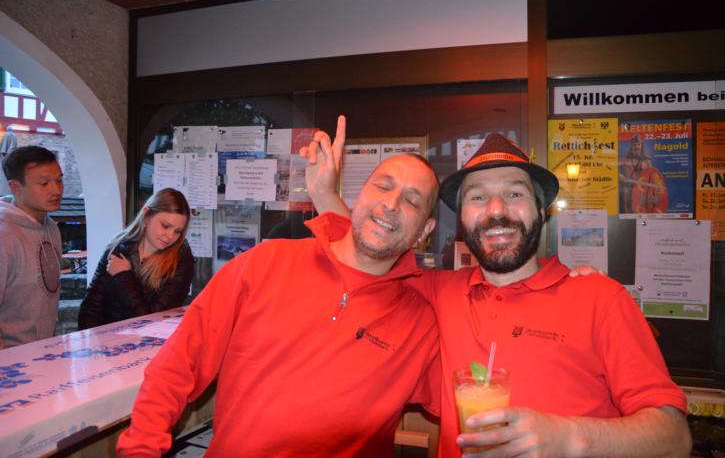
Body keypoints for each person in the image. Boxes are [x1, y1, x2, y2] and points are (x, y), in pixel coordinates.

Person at [303, 116, 691, 457]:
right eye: (478, 197)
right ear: (462, 221)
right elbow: (373, 246)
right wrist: (324, 195)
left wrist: (569, 438)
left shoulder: (600, 299)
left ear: (541, 212)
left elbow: (673, 438)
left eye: (514, 193)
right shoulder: (435, 291)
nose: (496, 210)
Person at [116, 153, 442, 456]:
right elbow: (178, 365)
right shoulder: (264, 263)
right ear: (359, 196)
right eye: (382, 186)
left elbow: (464, 402)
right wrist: (140, 450)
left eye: (412, 201)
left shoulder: (421, 324)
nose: (391, 204)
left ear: (424, 232)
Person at [78, 188, 195, 329]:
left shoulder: (181, 259)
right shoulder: (119, 246)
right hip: (106, 339)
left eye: (178, 231)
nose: (170, 236)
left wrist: (124, 276)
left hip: (148, 342)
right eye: (165, 226)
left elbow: (152, 323)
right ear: (146, 216)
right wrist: (92, 340)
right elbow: (91, 308)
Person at [0, 145, 63, 349]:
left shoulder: (52, 227)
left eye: (59, 180)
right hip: (11, 360)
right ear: (15, 187)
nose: (56, 190)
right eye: (44, 183)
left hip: (44, 353)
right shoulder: (4, 235)